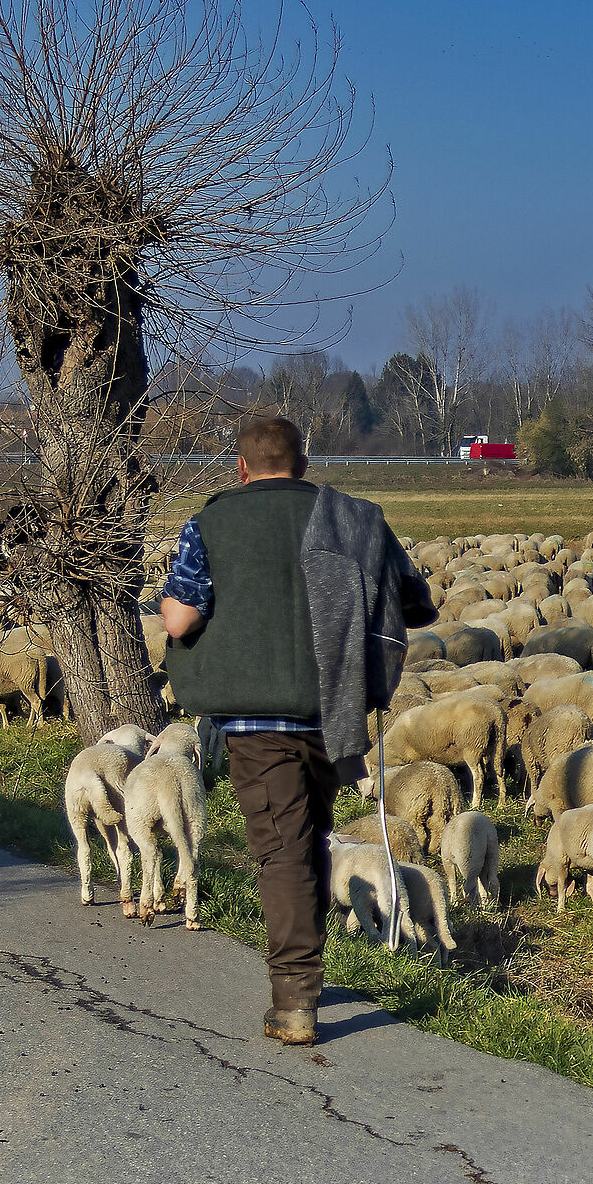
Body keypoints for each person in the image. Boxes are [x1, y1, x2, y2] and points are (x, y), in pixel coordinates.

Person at [158, 416, 435, 1046]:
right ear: (304, 463)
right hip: (332, 711)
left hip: (257, 719)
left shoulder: (211, 522)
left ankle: (294, 996)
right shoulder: (354, 518)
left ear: (242, 467)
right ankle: (304, 970)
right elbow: (414, 599)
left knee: (282, 848)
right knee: (308, 838)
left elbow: (179, 620)